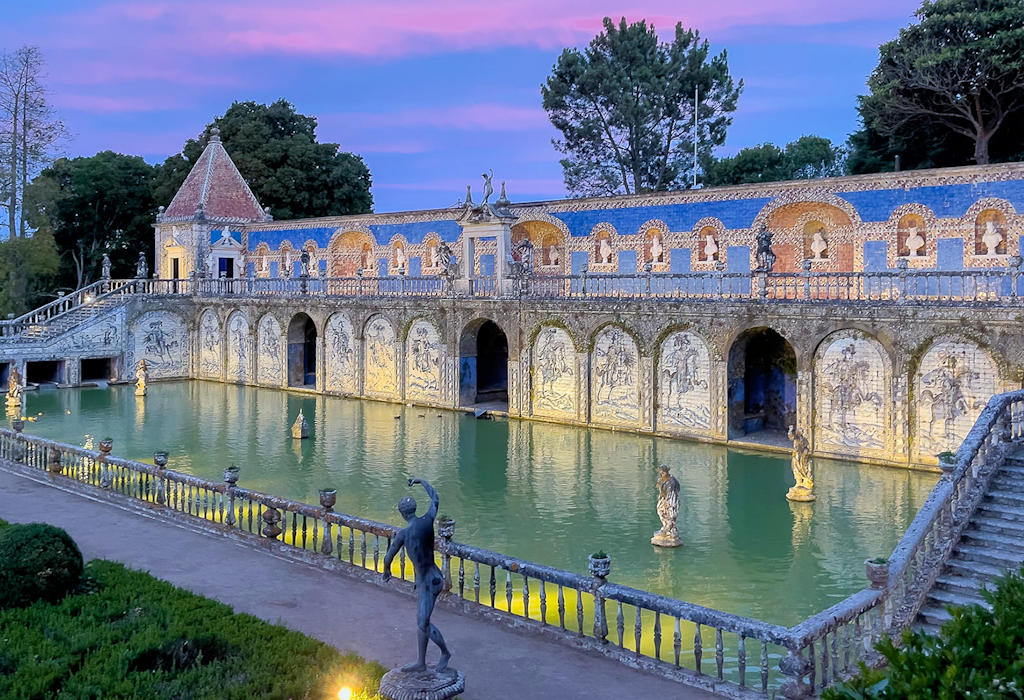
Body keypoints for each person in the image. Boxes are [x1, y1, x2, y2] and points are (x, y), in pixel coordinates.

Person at [383, 478, 452, 672]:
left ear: (402, 514)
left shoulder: (403, 534)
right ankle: (421, 662)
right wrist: (421, 481)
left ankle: (444, 653)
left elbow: (388, 557)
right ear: (414, 509)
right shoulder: (427, 521)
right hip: (433, 577)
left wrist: (386, 571)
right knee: (423, 622)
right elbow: (435, 498)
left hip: (428, 582)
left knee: (422, 622)